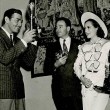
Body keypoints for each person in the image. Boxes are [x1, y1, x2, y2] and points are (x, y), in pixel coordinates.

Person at [0, 8, 38, 110]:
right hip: (3, 94)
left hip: (19, 92)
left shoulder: (17, 41)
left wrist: (34, 42)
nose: (20, 24)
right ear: (7, 19)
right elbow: (4, 58)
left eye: (21, 21)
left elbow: (28, 63)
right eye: (17, 20)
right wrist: (24, 40)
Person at [74, 12, 110, 110]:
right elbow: (76, 65)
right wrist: (82, 78)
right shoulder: (83, 46)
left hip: (103, 86)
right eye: (85, 28)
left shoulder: (107, 44)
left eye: (89, 27)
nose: (86, 30)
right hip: (87, 85)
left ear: (96, 28)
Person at [44, 17, 83, 110]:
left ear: (68, 28)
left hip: (77, 91)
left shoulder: (80, 45)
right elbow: (46, 68)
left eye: (60, 26)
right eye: (56, 27)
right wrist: (56, 64)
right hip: (59, 92)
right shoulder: (51, 47)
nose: (57, 29)